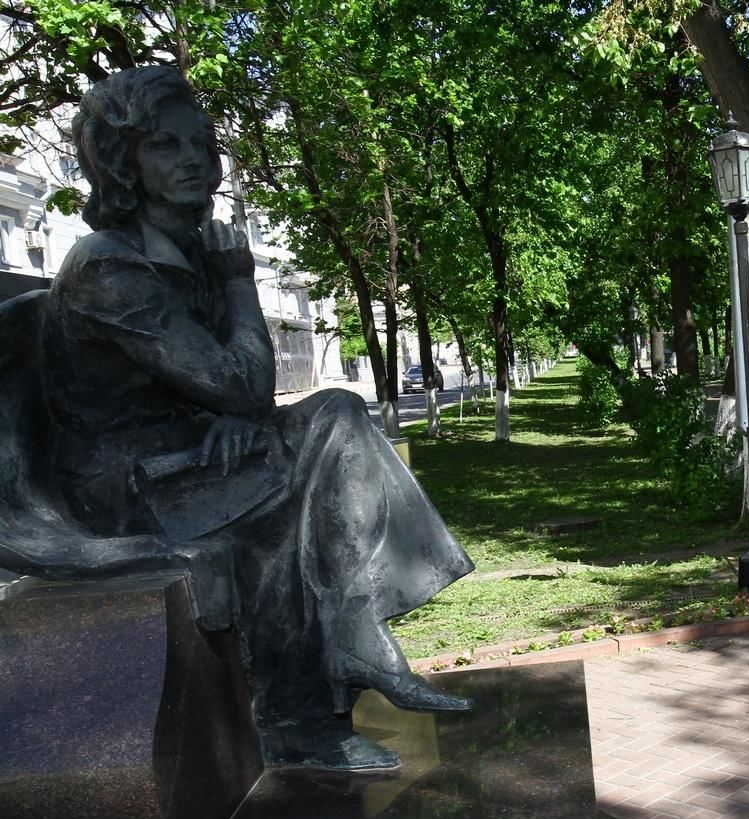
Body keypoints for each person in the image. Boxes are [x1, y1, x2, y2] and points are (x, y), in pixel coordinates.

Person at [25, 67, 473, 771]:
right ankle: (304, 713)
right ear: (123, 163)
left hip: (185, 454)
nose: (195, 159)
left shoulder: (192, 251)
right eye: (166, 147)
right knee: (299, 478)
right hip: (121, 488)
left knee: (336, 415)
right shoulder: (106, 268)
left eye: (202, 142)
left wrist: (237, 419)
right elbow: (240, 382)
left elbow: (232, 393)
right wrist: (240, 289)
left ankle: (344, 647)